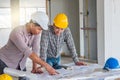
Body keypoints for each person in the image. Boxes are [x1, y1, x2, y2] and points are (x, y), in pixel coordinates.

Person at [0, 11, 58, 80]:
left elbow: (35, 51)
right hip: (4, 62)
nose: (40, 32)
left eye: (41, 30)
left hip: (21, 65)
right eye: (39, 29)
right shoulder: (17, 32)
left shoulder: (36, 34)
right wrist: (46, 66)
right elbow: (28, 53)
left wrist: (34, 68)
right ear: (32, 24)